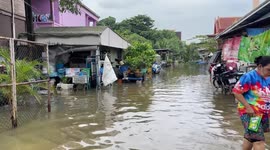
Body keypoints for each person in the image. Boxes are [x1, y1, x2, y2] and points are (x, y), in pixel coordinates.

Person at [232, 56, 270, 150]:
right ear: (260, 66)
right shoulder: (249, 77)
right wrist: (248, 107)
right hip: (252, 114)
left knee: (250, 136)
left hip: (264, 113)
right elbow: (236, 92)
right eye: (269, 70)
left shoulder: (268, 77)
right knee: (258, 140)